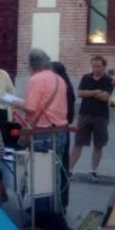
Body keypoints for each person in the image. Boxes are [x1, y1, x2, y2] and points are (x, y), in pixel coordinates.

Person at [69, 56, 113, 182]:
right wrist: (96, 92)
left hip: (101, 116)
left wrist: (89, 93)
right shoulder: (85, 77)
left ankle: (93, 171)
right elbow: (79, 93)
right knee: (78, 143)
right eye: (94, 66)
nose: (96, 69)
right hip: (84, 114)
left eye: (98, 66)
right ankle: (70, 170)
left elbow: (106, 97)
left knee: (98, 145)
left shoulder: (108, 80)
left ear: (104, 66)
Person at [51, 61, 75, 207]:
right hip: (62, 127)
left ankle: (59, 203)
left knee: (59, 166)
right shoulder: (64, 86)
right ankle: (56, 202)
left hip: (60, 128)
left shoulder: (63, 88)